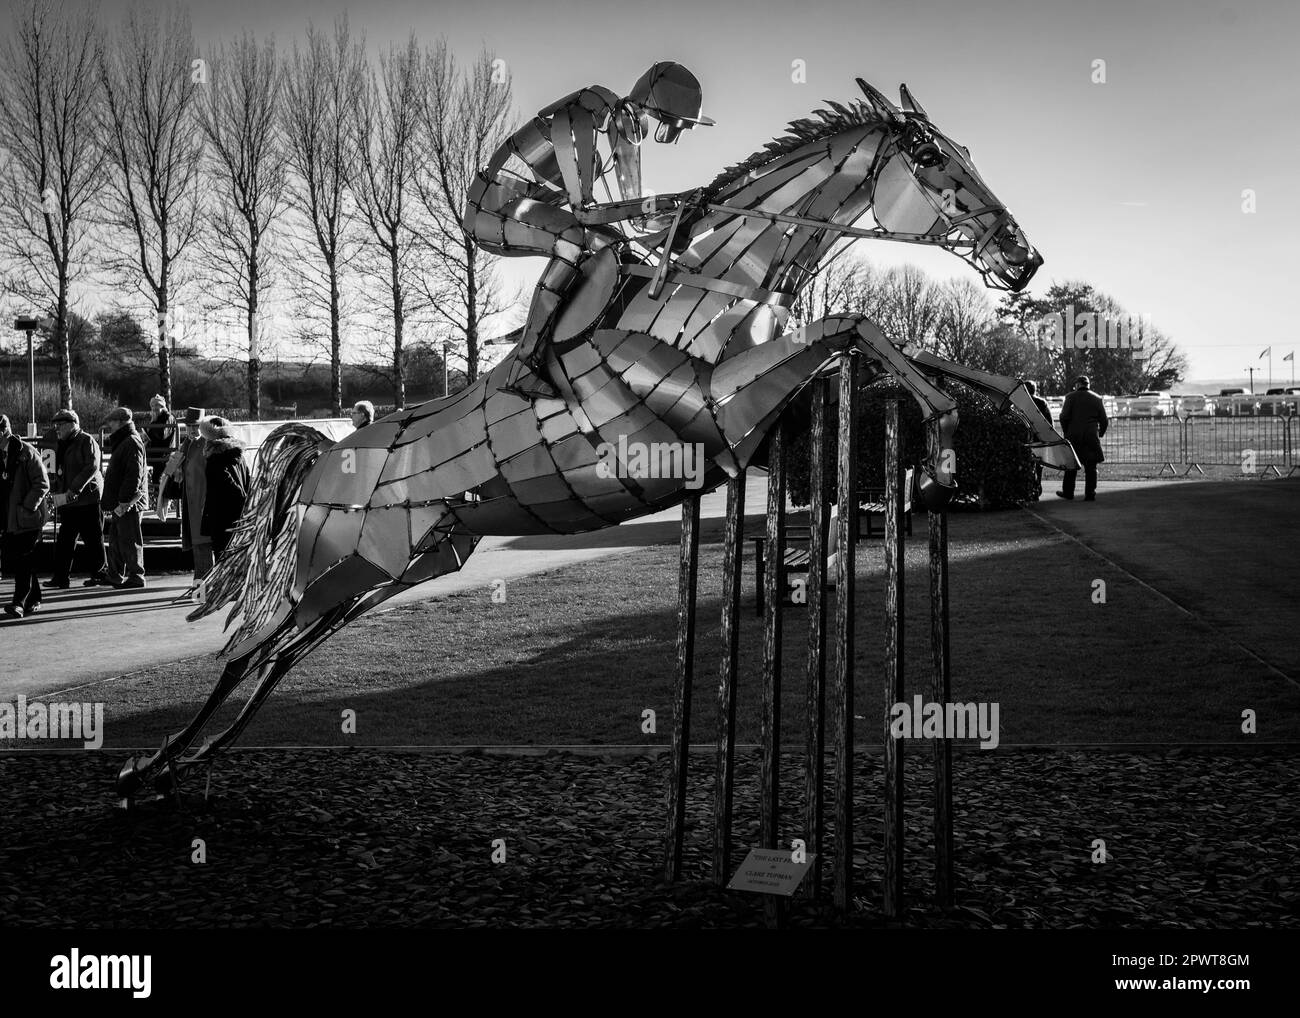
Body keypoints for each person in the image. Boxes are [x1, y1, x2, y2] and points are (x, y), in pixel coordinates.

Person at [466, 61, 714, 399]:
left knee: (615, 246)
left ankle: (591, 335)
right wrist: (667, 202)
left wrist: (681, 212)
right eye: (667, 125)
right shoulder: (583, 117)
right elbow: (584, 213)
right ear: (650, 107)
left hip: (525, 208)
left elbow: (638, 221)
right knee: (570, 238)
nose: (667, 136)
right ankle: (525, 364)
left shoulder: (625, 134)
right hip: (491, 209)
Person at [0, 414, 51, 617]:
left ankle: (19, 602)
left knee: (23, 558)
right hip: (8, 518)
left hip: (27, 518)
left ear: (4, 431)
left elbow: (42, 483)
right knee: (20, 559)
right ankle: (35, 597)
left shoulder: (26, 452)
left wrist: (27, 507)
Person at [48, 409, 106, 588]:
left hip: (86, 499)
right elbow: (61, 471)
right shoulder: (63, 442)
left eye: (60, 425)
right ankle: (61, 577)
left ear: (72, 424)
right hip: (69, 500)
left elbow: (92, 467)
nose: (57, 429)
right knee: (65, 540)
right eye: (56, 425)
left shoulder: (86, 440)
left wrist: (74, 488)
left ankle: (99, 574)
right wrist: (57, 491)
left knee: (94, 540)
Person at [156, 407, 213, 581]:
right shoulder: (186, 444)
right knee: (198, 544)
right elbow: (176, 471)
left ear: (203, 427)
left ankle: (204, 584)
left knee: (203, 544)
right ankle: (201, 583)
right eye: (188, 426)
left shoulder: (207, 444)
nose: (191, 430)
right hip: (191, 503)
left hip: (203, 504)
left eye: (195, 426)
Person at [98, 406, 148, 588]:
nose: (109, 425)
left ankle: (136, 575)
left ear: (120, 422)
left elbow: (134, 474)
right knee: (118, 539)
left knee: (128, 539)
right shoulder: (128, 441)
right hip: (125, 501)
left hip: (128, 502)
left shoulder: (130, 442)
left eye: (111, 422)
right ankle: (115, 574)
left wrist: (124, 501)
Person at [199, 416, 250, 562]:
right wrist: (244, 501)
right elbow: (247, 479)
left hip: (220, 516)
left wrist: (238, 496)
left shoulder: (215, 457)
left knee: (222, 557)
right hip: (239, 514)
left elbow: (225, 482)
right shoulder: (239, 454)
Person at [1058, 375, 1108, 501]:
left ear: (1077, 385)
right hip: (1091, 436)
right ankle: (1090, 493)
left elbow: (1063, 417)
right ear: (1088, 385)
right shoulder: (1097, 398)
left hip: (1073, 436)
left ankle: (1068, 492)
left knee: (1071, 465)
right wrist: (1100, 433)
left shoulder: (1070, 397)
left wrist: (1066, 432)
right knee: (1091, 467)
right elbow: (1104, 420)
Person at [1024, 380, 1051, 501]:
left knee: (1027, 464)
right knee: (1039, 464)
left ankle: (1027, 489)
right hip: (1039, 438)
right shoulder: (1041, 402)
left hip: (1025, 437)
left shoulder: (1021, 402)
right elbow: (1049, 421)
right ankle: (1037, 488)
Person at [144, 394, 177, 494]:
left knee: (161, 483)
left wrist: (152, 425)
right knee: (158, 482)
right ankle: (160, 505)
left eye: (156, 407)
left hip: (164, 457)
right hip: (160, 456)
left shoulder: (167, 417)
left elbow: (162, 434)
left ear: (162, 407)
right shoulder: (158, 418)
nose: (154, 409)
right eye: (152, 407)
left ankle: (161, 505)